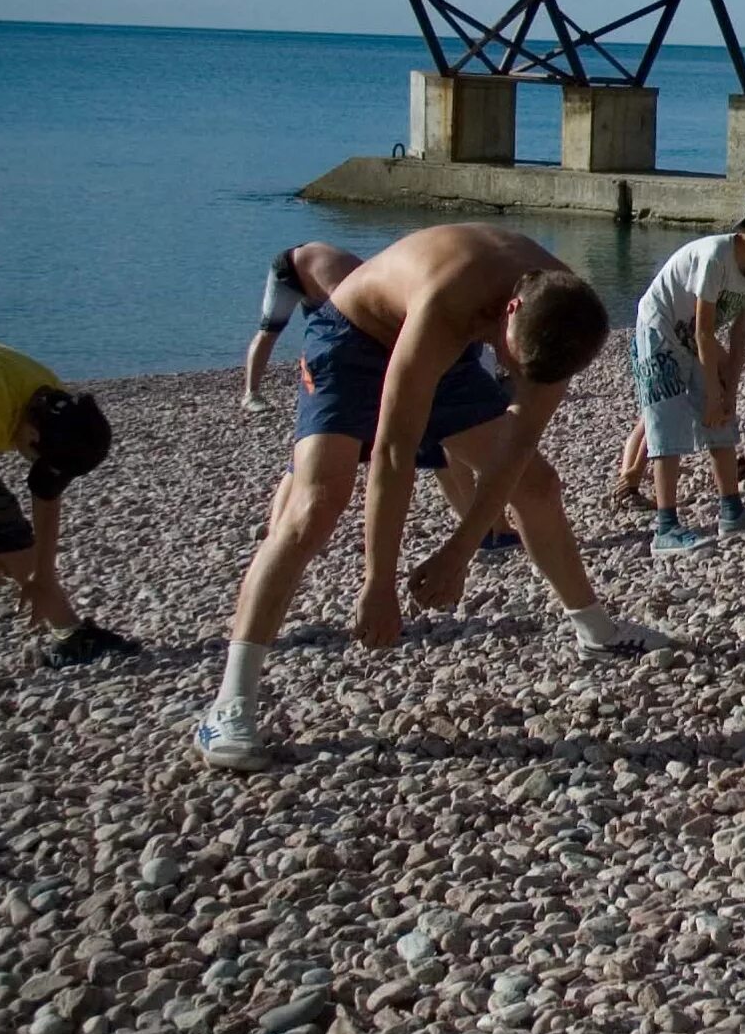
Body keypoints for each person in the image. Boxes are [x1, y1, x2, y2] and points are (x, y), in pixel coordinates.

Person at [194, 226, 645, 771]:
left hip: (454, 353)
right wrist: (379, 582)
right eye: (512, 362)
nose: (512, 376)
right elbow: (392, 452)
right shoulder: (449, 296)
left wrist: (461, 551)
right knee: (314, 507)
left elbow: (518, 449)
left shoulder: (563, 320)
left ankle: (596, 630)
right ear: (511, 308)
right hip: (353, 341)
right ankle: (230, 703)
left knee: (538, 486)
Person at [0, 339, 133, 668]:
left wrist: (44, 573)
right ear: (34, 438)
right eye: (41, 460)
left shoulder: (59, 406)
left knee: (1, 520)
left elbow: (46, 493)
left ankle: (72, 635)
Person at [631, 188, 745, 557]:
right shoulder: (715, 256)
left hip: (695, 337)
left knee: (723, 421)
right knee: (668, 422)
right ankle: (665, 528)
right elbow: (704, 329)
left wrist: (729, 392)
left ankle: (732, 512)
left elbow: (741, 332)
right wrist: (712, 393)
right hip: (660, 332)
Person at [243, 242, 359, 412]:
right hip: (290, 268)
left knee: (332, 337)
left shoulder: (368, 287)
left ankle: (323, 388)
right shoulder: (352, 293)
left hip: (317, 277)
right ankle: (251, 395)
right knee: (269, 332)